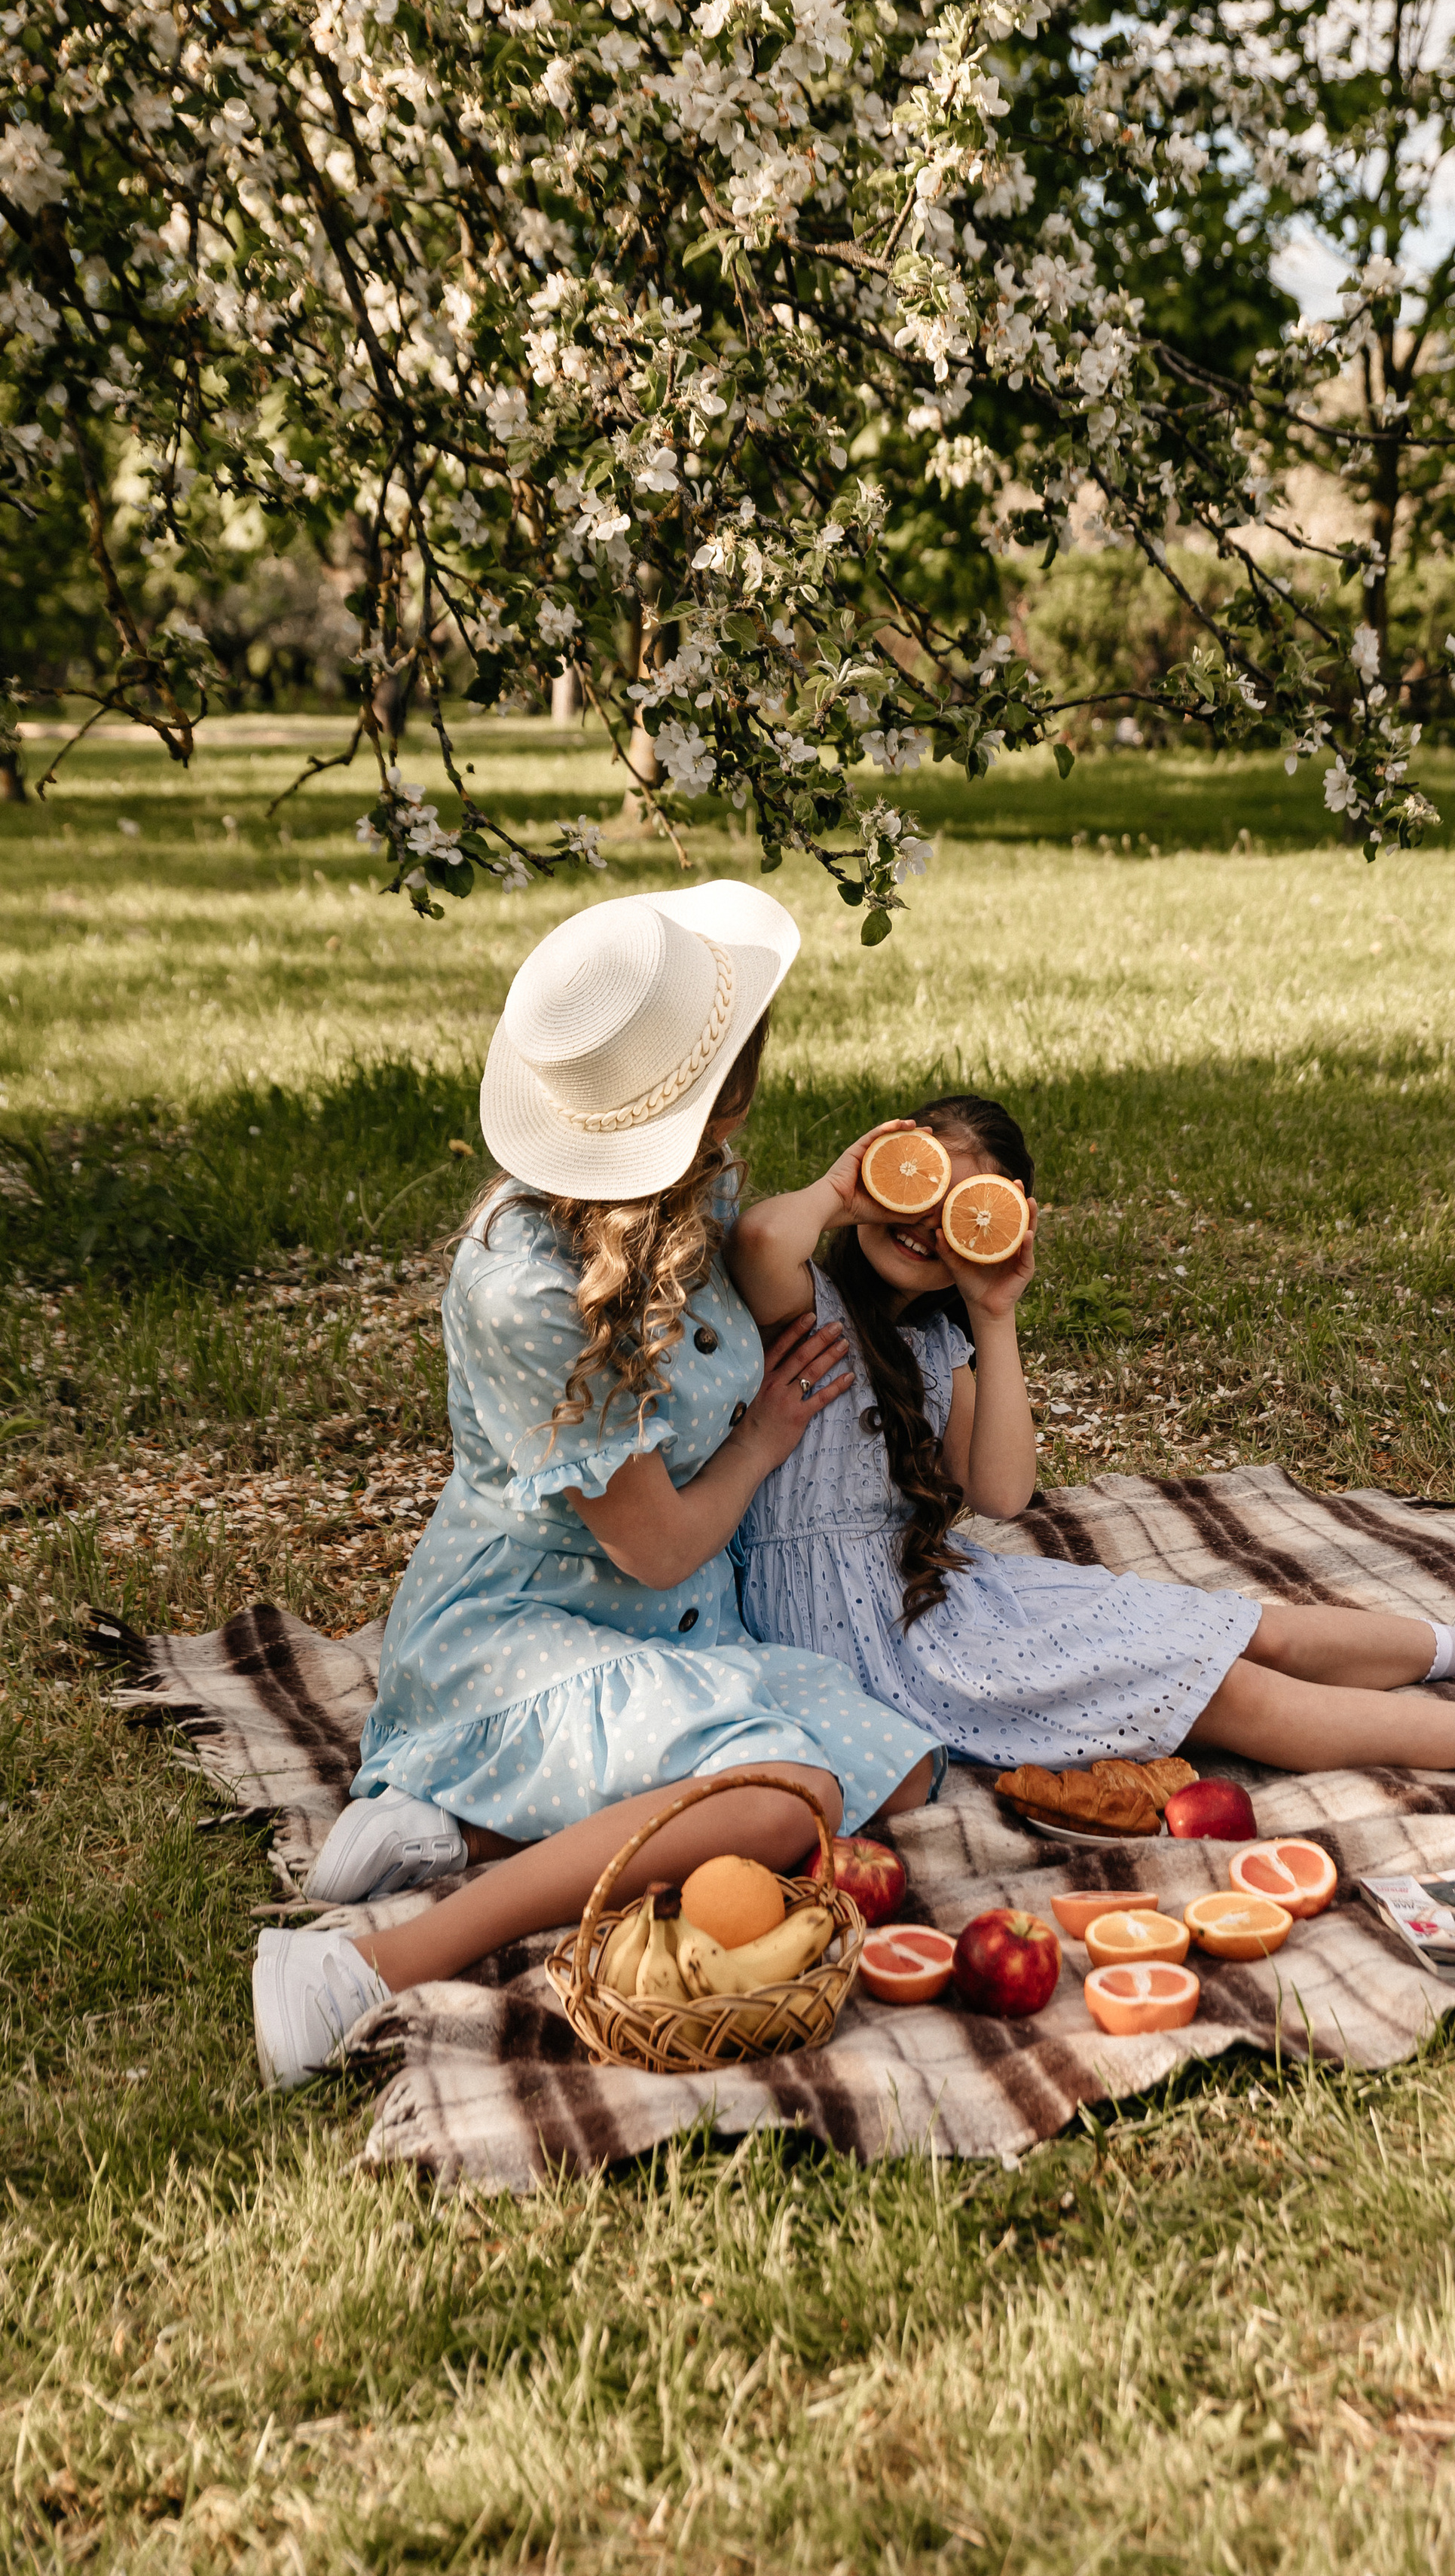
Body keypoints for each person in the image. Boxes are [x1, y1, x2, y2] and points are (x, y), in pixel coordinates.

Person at [252, 886, 936, 2089]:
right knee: (786, 1802)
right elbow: (657, 1548)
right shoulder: (525, 1289)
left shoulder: (691, 1181)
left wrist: (837, 1197)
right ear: (727, 1090)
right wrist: (765, 1438)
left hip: (670, 1625)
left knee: (904, 1770)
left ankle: (453, 1827)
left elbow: (754, 1261)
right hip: (525, 1630)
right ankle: (363, 1964)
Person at [725, 1093, 1455, 1786]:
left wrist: (996, 1315)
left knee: (1243, 1625)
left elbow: (1000, 1493)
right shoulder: (801, 1301)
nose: (925, 1222)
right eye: (915, 1183)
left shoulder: (941, 1336)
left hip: (947, 1598)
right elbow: (766, 1232)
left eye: (965, 1211)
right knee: (1231, 1693)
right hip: (863, 1642)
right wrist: (846, 1186)